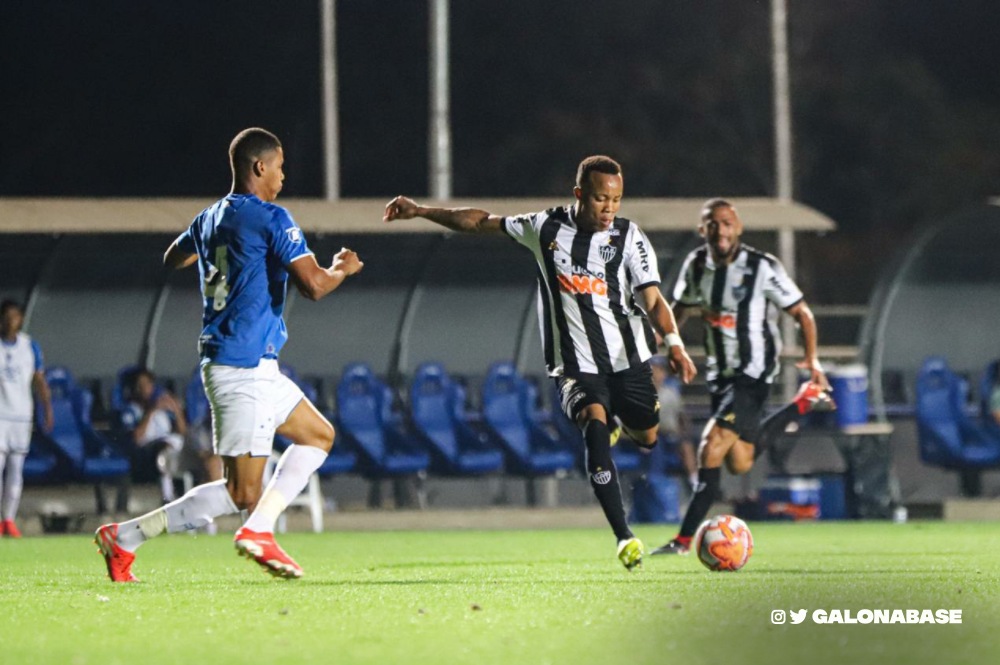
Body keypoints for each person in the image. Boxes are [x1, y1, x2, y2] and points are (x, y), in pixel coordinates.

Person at [384, 156, 697, 570]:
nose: (609, 208)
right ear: (580, 194)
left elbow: (653, 299)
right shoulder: (545, 227)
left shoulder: (629, 236)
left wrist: (675, 343)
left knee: (649, 437)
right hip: (573, 365)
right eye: (601, 198)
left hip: (628, 359)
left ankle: (622, 426)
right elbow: (480, 222)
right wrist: (422, 211)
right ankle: (624, 535)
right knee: (594, 425)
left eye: (616, 200)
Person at [94, 127, 364, 582]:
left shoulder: (209, 218)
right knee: (243, 492)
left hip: (252, 361)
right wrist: (341, 268)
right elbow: (314, 285)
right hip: (240, 364)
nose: (283, 175)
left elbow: (171, 258)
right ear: (260, 167)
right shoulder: (271, 217)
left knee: (318, 436)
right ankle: (131, 537)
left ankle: (250, 529)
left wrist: (220, 256)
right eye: (279, 165)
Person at [651, 198, 834, 556]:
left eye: (727, 223)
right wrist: (661, 343)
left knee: (712, 444)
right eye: (713, 224)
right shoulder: (696, 265)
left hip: (754, 372)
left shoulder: (761, 266)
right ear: (703, 230)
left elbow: (803, 314)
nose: (721, 230)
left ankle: (684, 540)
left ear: (739, 228)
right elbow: (680, 310)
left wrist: (812, 359)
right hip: (721, 374)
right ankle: (802, 404)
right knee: (740, 461)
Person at [0, 300, 54, 538]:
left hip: (22, 416)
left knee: (16, 469)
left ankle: (9, 519)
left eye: (15, 316)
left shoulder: (29, 346)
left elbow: (39, 380)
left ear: (21, 319)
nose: (10, 320)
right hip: (0, 415)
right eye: (6, 316)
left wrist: (47, 409)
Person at [116, 368, 187, 504]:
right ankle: (168, 497)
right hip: (147, 453)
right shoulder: (130, 411)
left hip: (173, 448)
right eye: (140, 385)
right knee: (164, 449)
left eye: (148, 384)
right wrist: (151, 411)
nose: (145, 388)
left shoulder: (162, 407)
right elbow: (136, 438)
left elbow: (183, 432)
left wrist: (176, 410)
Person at [648, 356, 698, 489]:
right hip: (650, 435)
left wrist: (685, 429)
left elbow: (681, 415)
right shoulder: (641, 394)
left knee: (687, 443)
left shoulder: (671, 393)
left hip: (670, 434)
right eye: (653, 370)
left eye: (659, 371)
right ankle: (654, 484)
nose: (656, 374)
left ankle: (694, 481)